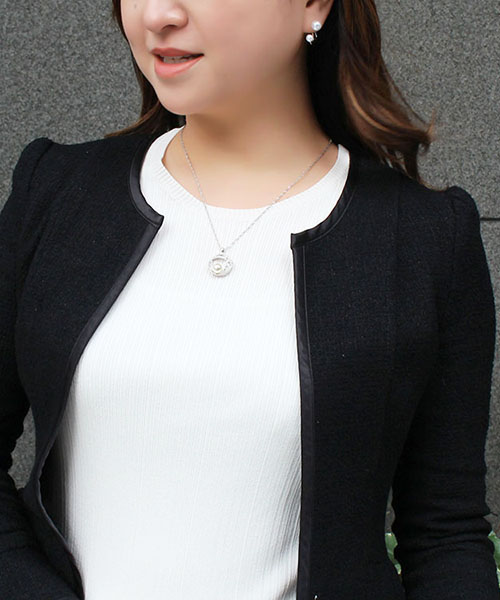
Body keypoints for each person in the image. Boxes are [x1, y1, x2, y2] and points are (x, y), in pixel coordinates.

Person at [0, 0, 498, 598]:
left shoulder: (423, 237)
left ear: (313, 6)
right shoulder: (58, 191)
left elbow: (445, 536)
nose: (158, 15)